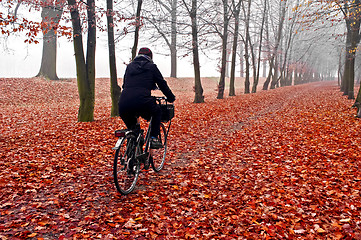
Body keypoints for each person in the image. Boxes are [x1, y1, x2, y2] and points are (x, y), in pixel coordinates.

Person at [118, 47, 176, 149]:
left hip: (124, 103)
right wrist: (171, 97)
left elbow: (124, 85)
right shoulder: (151, 67)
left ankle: (133, 150)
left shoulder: (130, 67)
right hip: (143, 101)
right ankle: (154, 138)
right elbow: (162, 84)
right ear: (150, 56)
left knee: (133, 128)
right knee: (157, 111)